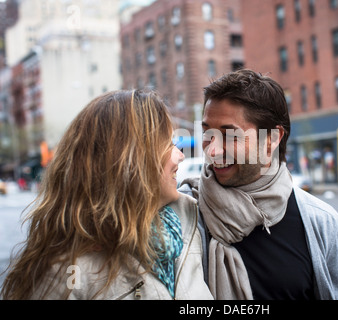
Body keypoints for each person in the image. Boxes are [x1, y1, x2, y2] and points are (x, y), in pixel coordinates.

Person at [0, 89, 213, 300]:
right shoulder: (64, 275)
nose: (180, 156)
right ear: (130, 161)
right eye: (168, 144)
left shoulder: (188, 218)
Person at [180, 69, 338, 300]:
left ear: (272, 139)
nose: (212, 151)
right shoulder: (181, 213)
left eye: (229, 135)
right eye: (207, 133)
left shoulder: (320, 222)